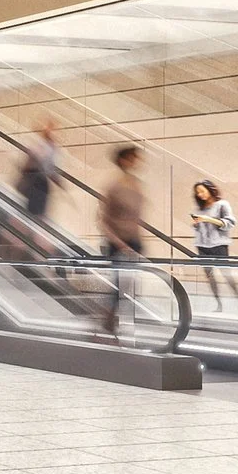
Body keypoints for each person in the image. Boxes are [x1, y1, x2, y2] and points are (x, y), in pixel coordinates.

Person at [97, 145, 147, 339]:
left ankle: (114, 320)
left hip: (134, 240)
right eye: (132, 158)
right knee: (118, 285)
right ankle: (108, 319)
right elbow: (103, 220)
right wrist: (119, 243)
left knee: (129, 284)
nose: (136, 162)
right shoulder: (114, 186)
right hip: (119, 242)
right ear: (123, 160)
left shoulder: (136, 184)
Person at [190, 180, 237, 309]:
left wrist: (208, 219)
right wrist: (196, 224)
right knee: (210, 277)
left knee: (226, 274)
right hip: (202, 246)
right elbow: (198, 230)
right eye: (197, 193)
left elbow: (230, 223)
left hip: (219, 245)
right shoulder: (199, 209)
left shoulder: (222, 205)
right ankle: (219, 304)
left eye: (202, 191)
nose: (200, 194)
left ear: (210, 189)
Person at [17, 115, 61, 223]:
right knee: (35, 211)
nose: (52, 132)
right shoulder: (43, 145)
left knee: (35, 211)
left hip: (38, 181)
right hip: (37, 182)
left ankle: (30, 229)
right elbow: (46, 166)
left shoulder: (50, 147)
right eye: (50, 128)